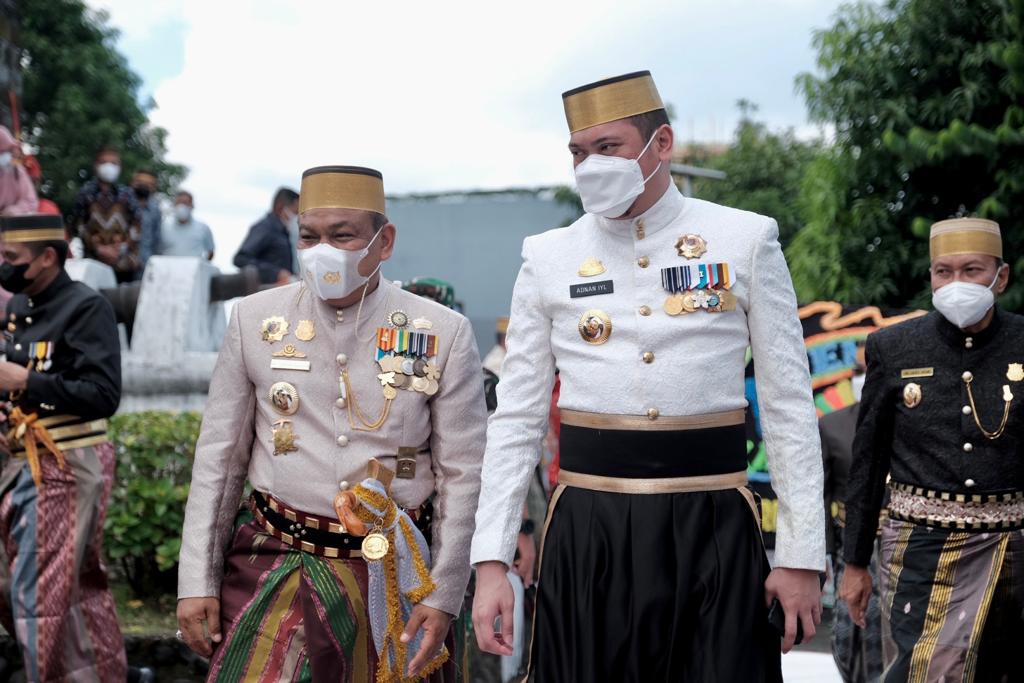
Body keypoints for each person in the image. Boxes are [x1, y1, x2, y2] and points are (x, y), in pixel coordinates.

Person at [470, 70, 825, 681]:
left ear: (662, 144)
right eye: (579, 153)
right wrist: (491, 562)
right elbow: (517, 419)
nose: (590, 166)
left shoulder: (744, 239)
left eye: (608, 147)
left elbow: (789, 405)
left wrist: (801, 556)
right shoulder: (547, 256)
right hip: (590, 528)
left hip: (713, 520)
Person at [178, 165, 486, 681]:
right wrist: (196, 581)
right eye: (309, 236)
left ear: (384, 242)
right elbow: (218, 461)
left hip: (391, 577)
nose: (323, 250)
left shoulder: (441, 332)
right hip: (276, 563)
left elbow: (463, 474)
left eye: (342, 236)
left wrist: (445, 593)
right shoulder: (254, 319)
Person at [840, 217, 1024, 682]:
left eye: (972, 270)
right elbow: (868, 463)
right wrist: (854, 563)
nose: (956, 283)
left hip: (1014, 549)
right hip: (919, 551)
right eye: (944, 271)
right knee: (928, 671)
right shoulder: (893, 346)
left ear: (1001, 277)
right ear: (931, 277)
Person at [0, 214, 125, 680]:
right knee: (47, 590)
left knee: (41, 594)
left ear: (47, 257)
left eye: (11, 257)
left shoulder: (86, 308)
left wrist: (26, 381)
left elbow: (103, 396)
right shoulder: (20, 303)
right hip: (19, 459)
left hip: (67, 461)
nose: (4, 265)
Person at [820, 356, 884, 683]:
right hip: (852, 544)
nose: (864, 377)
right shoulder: (831, 425)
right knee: (848, 630)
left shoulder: (910, 423)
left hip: (903, 541)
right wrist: (825, 553)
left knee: (892, 630)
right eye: (858, 371)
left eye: (871, 370)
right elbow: (822, 494)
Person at [73, 146, 142, 282]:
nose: (109, 166)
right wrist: (98, 248)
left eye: (113, 163)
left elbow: (137, 225)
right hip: (92, 265)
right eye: (104, 162)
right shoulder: (85, 194)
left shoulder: (128, 194)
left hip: (124, 266)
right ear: (96, 166)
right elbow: (78, 225)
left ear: (120, 167)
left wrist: (122, 247)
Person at [233, 187, 299, 284]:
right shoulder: (264, 228)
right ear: (280, 207)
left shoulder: (285, 232)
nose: (297, 217)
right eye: (295, 212)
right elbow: (241, 259)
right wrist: (276, 273)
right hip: (266, 290)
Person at [158, 191, 215, 260]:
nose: (181, 206)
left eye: (185, 203)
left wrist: (203, 264)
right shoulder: (163, 227)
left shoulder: (203, 228)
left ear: (192, 206)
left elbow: (210, 251)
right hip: (168, 266)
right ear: (174, 205)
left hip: (193, 266)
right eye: (179, 203)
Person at [0, 126, 37, 216]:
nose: (7, 155)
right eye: (2, 151)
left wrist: (15, 210)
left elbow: (30, 201)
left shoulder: (17, 171)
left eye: (8, 151)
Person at [131, 169, 163, 268]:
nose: (144, 186)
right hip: (119, 263)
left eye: (149, 184)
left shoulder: (155, 210)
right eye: (140, 182)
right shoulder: (121, 203)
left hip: (144, 264)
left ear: (154, 187)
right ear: (132, 183)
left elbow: (156, 239)